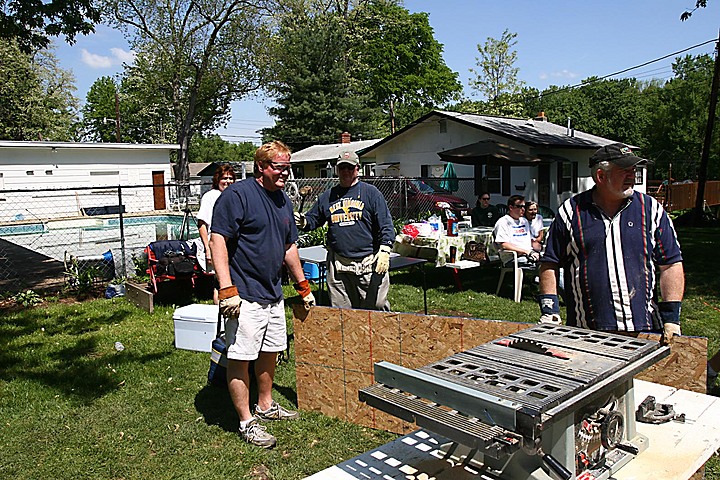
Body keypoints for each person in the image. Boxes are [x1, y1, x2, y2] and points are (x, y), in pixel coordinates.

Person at [209, 140, 316, 449]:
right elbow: (218, 241)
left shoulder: (283, 200)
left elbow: (288, 247)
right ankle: (246, 421)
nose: (284, 173)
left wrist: (302, 286)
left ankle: (265, 405)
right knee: (240, 358)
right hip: (244, 293)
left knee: (271, 351)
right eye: (279, 167)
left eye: (288, 167)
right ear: (261, 167)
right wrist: (227, 289)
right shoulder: (237, 196)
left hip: (272, 293)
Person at [537, 143, 684, 344]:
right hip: (585, 331)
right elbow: (550, 262)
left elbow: (671, 264)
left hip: (644, 328)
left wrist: (672, 318)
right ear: (600, 176)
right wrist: (550, 310)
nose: (632, 176)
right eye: (625, 171)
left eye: (634, 171)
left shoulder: (651, 210)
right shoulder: (571, 212)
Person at [294, 149, 395, 311]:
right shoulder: (327, 196)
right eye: (342, 168)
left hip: (368, 261)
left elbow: (386, 224)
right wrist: (304, 221)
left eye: (350, 167)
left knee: (377, 306)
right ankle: (348, 337)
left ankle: (380, 337)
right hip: (338, 264)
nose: (346, 171)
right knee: (342, 311)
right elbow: (314, 220)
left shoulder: (371, 193)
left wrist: (385, 249)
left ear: (357, 168)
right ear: (337, 170)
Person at [196, 164, 235, 303]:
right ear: (217, 179)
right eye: (224, 178)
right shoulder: (210, 196)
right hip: (216, 245)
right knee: (219, 281)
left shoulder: (234, 196)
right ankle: (220, 313)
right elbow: (202, 224)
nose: (228, 181)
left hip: (233, 245)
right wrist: (207, 249)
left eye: (231, 178)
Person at [492, 195, 542, 264]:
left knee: (549, 260)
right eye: (519, 206)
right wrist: (526, 251)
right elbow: (504, 245)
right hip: (513, 257)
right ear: (511, 207)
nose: (523, 209)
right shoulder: (503, 222)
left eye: (524, 206)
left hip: (529, 253)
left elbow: (530, 241)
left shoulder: (524, 221)